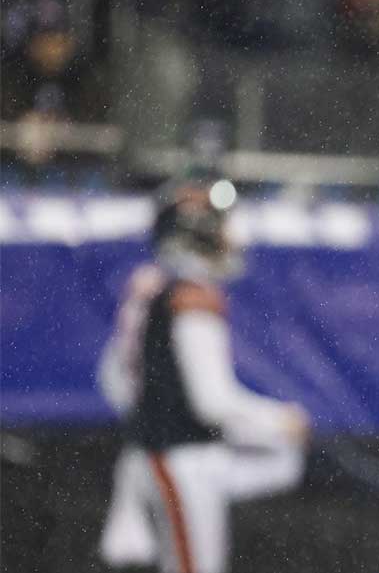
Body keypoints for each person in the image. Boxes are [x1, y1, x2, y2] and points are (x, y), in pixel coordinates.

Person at [97, 181, 310, 573]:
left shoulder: (155, 290)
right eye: (221, 222)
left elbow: (115, 379)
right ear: (199, 229)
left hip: (163, 452)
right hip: (181, 456)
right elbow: (211, 402)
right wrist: (279, 420)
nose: (231, 233)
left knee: (286, 463)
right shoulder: (190, 296)